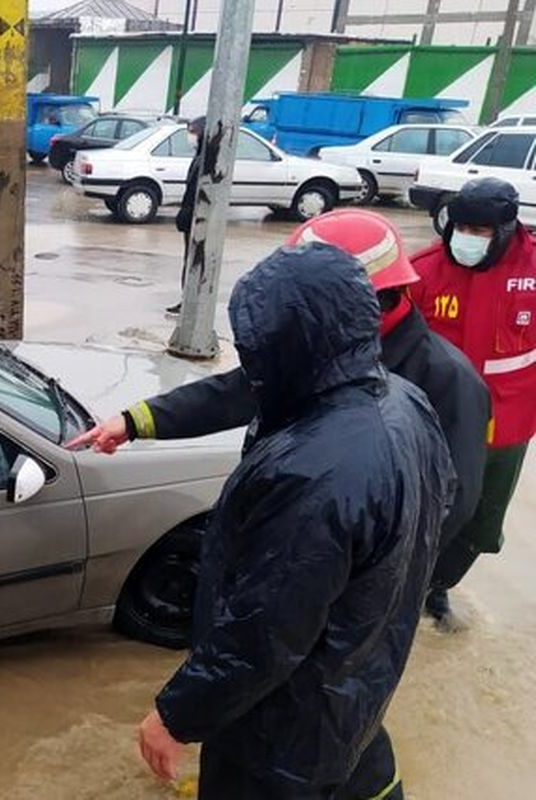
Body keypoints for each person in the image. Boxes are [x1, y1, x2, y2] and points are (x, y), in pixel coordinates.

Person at [134, 243, 454, 799]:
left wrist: (178, 715)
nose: (250, 365)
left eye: (257, 349)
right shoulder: (405, 403)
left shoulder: (314, 472)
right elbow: (439, 509)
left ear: (291, 351)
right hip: (359, 679)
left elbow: (264, 630)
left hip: (280, 732)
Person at [71, 209, 489, 565]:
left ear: (356, 299)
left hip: (349, 580)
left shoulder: (446, 379)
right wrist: (134, 422)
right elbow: (234, 394)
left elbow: (453, 504)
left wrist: (359, 577)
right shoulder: (317, 345)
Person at [410, 177, 536, 630]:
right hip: (435, 421)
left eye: (480, 232)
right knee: (421, 513)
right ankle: (400, 587)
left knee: (481, 526)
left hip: (507, 424)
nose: (467, 239)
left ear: (505, 230)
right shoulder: (424, 270)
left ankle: (437, 585)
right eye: (460, 228)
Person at [167, 116, 207, 314]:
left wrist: (187, 212)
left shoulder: (205, 160)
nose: (190, 137)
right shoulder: (199, 157)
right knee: (189, 260)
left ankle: (191, 302)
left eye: (193, 132)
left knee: (194, 261)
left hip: (196, 218)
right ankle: (187, 299)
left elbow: (197, 192)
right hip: (191, 216)